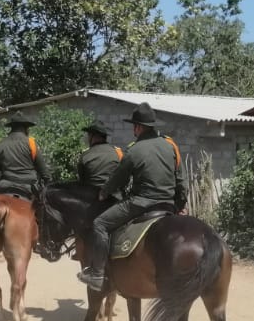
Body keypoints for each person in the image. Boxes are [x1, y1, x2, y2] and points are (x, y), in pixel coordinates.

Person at [78, 103, 186, 291]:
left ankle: (97, 274)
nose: (133, 130)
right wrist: (180, 205)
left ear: (138, 127)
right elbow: (181, 181)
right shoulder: (171, 146)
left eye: (133, 127)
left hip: (141, 204)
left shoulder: (134, 150)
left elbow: (118, 180)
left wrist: (104, 192)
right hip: (168, 205)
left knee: (100, 224)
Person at [0, 110, 50, 201]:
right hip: (29, 186)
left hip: (5, 185)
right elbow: (44, 172)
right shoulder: (31, 143)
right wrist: (47, 181)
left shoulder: (0, 144)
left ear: (12, 128)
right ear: (25, 128)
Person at [76, 120, 123, 190]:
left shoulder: (85, 155)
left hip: (90, 197)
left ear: (92, 136)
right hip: (114, 197)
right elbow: (123, 177)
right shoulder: (118, 152)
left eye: (89, 135)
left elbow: (82, 181)